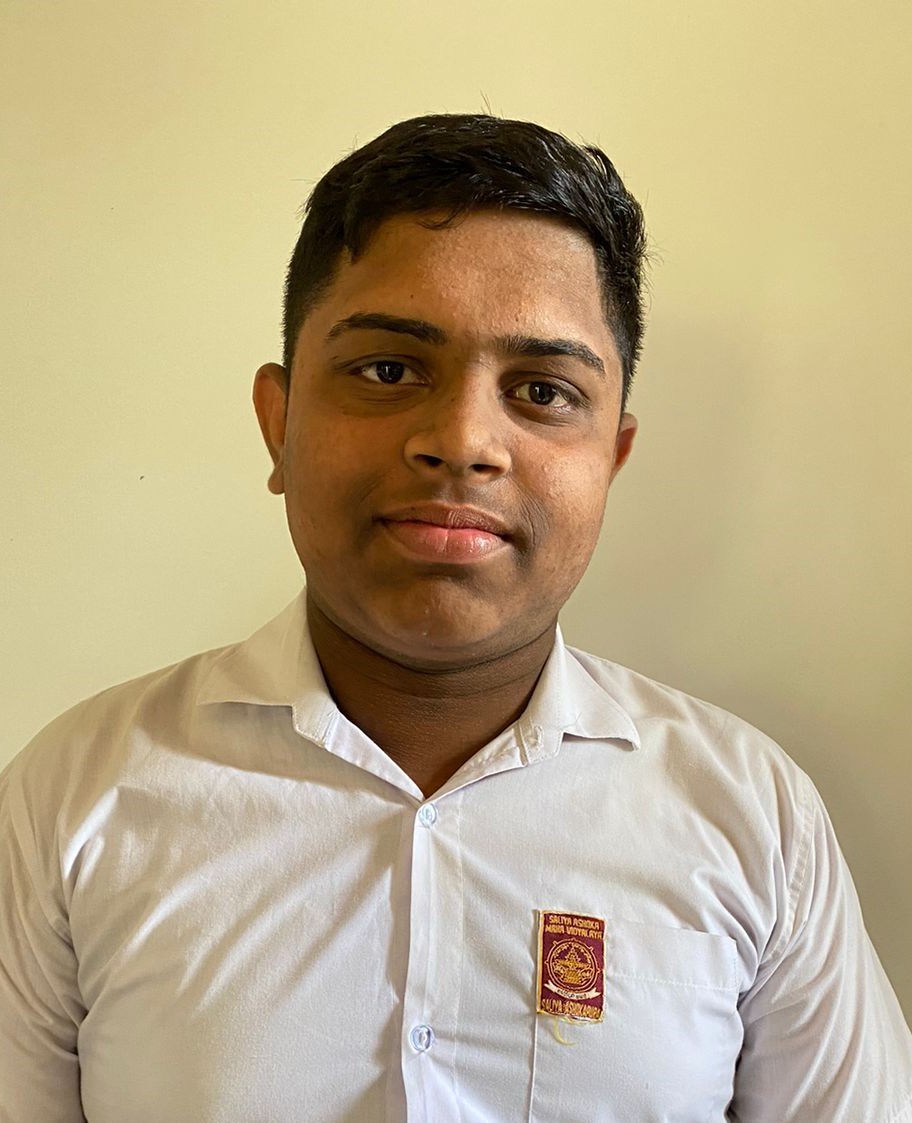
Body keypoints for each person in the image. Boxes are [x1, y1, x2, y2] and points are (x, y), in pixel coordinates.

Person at [1, 114, 910, 1123]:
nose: (464, 440)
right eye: (389, 370)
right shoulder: (72, 799)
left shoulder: (752, 817)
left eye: (543, 390)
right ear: (279, 420)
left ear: (612, 457)